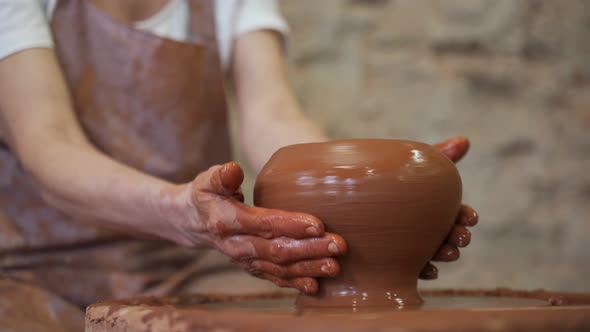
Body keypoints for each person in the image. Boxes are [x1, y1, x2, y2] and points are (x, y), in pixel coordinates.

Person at [0, 0, 478, 331]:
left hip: (182, 270)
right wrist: (180, 210)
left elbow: (271, 113)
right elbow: (48, 144)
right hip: (34, 275)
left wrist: (365, 188)